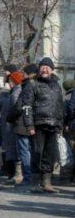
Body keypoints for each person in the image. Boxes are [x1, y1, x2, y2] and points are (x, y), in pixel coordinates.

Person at [22, 57, 64, 193]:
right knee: (36, 153)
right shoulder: (32, 84)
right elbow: (26, 106)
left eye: (48, 67)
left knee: (50, 154)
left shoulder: (57, 86)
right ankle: (34, 183)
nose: (45, 69)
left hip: (53, 125)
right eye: (42, 67)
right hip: (37, 125)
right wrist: (29, 126)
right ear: (39, 69)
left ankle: (46, 182)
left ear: (52, 70)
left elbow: (60, 107)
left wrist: (60, 125)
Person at [8, 64, 38, 186]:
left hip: (23, 123)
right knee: (32, 150)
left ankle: (27, 177)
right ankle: (34, 177)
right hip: (35, 122)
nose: (23, 75)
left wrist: (11, 117)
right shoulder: (40, 84)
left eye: (24, 73)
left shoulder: (26, 86)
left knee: (24, 151)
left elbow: (20, 106)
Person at [60, 79, 75, 185]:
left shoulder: (66, 97)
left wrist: (66, 124)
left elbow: (69, 110)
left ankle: (66, 177)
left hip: (70, 127)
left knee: (67, 152)